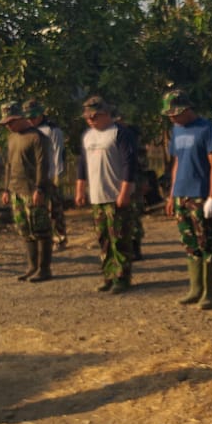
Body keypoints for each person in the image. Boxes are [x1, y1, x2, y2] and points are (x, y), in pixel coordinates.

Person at [163, 88, 212, 309]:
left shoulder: (206, 128)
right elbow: (177, 162)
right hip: (181, 194)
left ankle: (210, 292)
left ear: (187, 109)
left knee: (207, 242)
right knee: (189, 243)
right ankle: (195, 289)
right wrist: (171, 195)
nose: (172, 117)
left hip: (200, 195)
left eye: (175, 113)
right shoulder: (176, 130)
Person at [75, 96, 138, 293]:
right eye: (87, 117)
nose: (91, 120)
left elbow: (130, 163)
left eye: (95, 116)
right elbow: (82, 165)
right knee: (103, 239)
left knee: (119, 237)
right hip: (97, 196)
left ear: (106, 113)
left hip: (116, 194)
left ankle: (122, 278)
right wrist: (79, 190)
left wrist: (125, 192)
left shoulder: (119, 133)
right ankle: (109, 275)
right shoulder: (88, 136)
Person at [0, 101, 53, 282]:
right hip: (16, 189)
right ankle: (32, 266)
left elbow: (42, 165)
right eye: (6, 123)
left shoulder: (37, 137)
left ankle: (44, 268)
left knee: (41, 229)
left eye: (11, 121)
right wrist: (6, 188)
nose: (8, 126)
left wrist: (40, 188)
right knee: (24, 229)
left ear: (21, 117)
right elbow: (8, 164)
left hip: (32, 190)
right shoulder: (12, 138)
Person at [23, 98, 68, 251]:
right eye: (28, 118)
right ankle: (43, 238)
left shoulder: (52, 130)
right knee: (38, 209)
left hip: (50, 174)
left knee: (55, 208)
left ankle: (59, 238)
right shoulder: (26, 131)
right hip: (34, 177)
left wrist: (56, 178)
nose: (31, 120)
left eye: (33, 117)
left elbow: (58, 154)